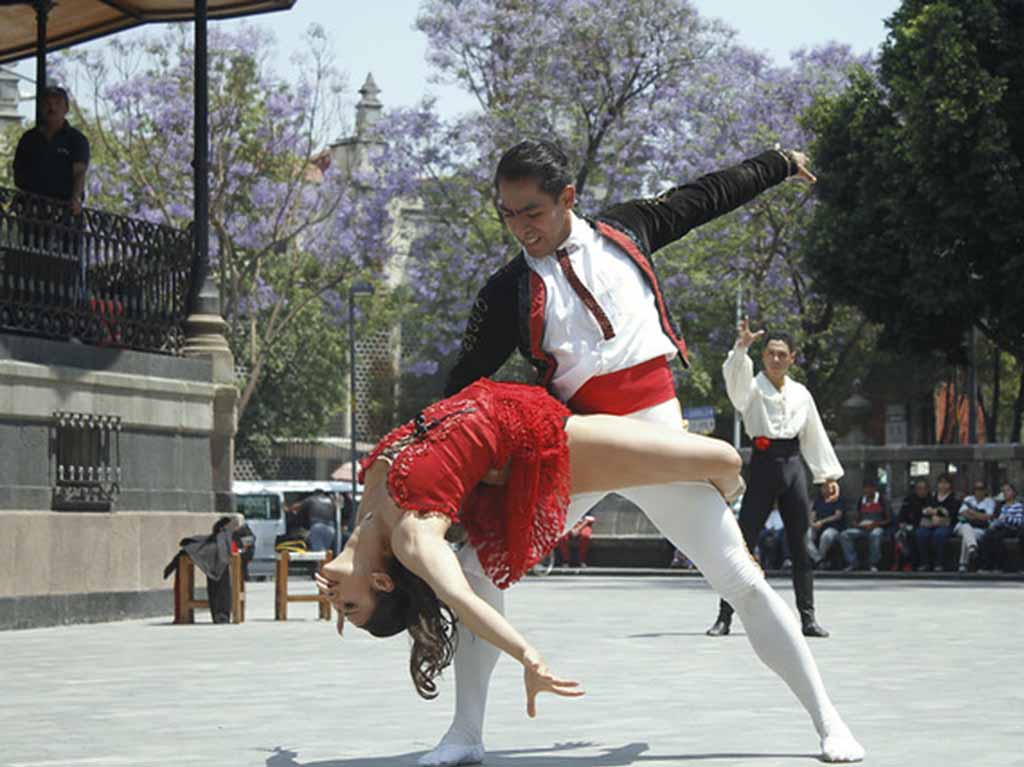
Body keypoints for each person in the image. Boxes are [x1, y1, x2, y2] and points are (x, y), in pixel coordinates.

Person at [428, 138, 822, 767]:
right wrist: (421, 463)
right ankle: (464, 736)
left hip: (660, 441)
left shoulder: (628, 230)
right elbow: (461, 380)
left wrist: (776, 163)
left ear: (567, 199)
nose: (519, 227)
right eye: (506, 213)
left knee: (742, 579)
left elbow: (707, 195)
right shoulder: (504, 292)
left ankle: (828, 724)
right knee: (478, 568)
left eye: (531, 211)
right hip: (578, 445)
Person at [316, 378, 864, 763]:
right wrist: (528, 656)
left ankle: (715, 503)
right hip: (546, 449)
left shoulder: (367, 512)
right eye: (348, 604)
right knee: (725, 461)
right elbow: (463, 602)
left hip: (539, 413)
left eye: (344, 608)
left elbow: (357, 565)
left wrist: (343, 580)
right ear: (384, 581)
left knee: (723, 462)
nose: (334, 597)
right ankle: (466, 732)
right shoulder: (413, 540)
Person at [706, 323, 842, 639]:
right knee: (743, 543)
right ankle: (724, 617)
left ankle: (807, 617)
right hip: (764, 464)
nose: (776, 360)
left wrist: (826, 475)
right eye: (770, 354)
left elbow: (814, 435)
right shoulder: (752, 388)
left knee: (801, 545)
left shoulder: (801, 394)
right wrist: (741, 349)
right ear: (763, 356)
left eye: (782, 354)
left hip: (794, 466)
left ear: (792, 358)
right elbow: (735, 384)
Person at [13, 85, 90, 215]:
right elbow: (18, 171)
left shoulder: (76, 139)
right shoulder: (29, 139)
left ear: (66, 109)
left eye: (57, 103)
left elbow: (79, 172)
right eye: (47, 104)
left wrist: (76, 199)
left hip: (64, 212)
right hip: (32, 210)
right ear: (41, 108)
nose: (52, 108)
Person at [838, 479, 891, 572]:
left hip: (878, 527)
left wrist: (875, 524)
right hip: (862, 528)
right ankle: (852, 562)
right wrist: (857, 524)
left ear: (875, 489)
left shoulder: (882, 500)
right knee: (844, 534)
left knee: (875, 535)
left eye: (870, 488)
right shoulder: (861, 500)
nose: (868, 491)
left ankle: (872, 563)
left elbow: (888, 519)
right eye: (866, 489)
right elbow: (855, 518)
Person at [914, 473, 958, 571]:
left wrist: (935, 512)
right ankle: (924, 562)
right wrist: (937, 512)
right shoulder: (932, 496)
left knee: (939, 535)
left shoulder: (953, 498)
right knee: (920, 534)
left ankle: (939, 563)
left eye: (946, 483)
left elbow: (950, 513)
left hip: (946, 525)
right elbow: (925, 510)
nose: (943, 485)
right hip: (930, 523)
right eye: (941, 483)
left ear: (950, 485)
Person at [977, 483, 1024, 572]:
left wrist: (1006, 519)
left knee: (997, 537)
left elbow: (1019, 521)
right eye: (1003, 491)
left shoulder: (1018, 506)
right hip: (1001, 527)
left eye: (1008, 490)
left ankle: (1000, 565)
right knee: (986, 536)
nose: (1005, 493)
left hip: (1012, 528)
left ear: (1013, 493)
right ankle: (987, 565)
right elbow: (997, 519)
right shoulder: (1002, 506)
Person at [954, 481, 996, 572]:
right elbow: (962, 514)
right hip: (962, 526)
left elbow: (987, 517)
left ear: (985, 491)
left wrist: (972, 512)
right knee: (966, 526)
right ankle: (972, 547)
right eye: (977, 489)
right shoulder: (968, 499)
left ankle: (963, 563)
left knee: (968, 536)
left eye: (981, 489)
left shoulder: (990, 501)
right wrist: (978, 515)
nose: (979, 491)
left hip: (979, 529)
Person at [895, 479, 932, 570]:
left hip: (925, 527)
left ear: (928, 490)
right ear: (915, 489)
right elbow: (901, 516)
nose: (922, 491)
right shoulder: (909, 499)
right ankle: (901, 562)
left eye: (924, 489)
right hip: (908, 526)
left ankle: (916, 562)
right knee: (899, 535)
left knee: (917, 534)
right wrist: (902, 524)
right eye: (919, 489)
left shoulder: (931, 500)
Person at [807, 483, 844, 569]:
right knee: (806, 536)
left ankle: (819, 559)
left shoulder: (838, 500)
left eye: (827, 487)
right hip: (817, 526)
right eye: (823, 488)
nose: (824, 490)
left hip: (833, 527)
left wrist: (822, 522)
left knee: (826, 536)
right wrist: (812, 523)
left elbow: (837, 516)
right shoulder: (818, 501)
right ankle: (819, 560)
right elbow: (812, 515)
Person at [302, 488, 337, 555]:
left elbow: (299, 507)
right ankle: (322, 564)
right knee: (325, 552)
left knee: (319, 553)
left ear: (315, 493)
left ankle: (321, 565)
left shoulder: (312, 499)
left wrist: (288, 508)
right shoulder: (330, 500)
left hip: (317, 527)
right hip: (330, 529)